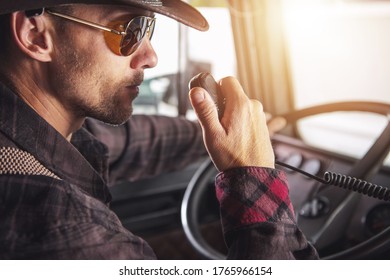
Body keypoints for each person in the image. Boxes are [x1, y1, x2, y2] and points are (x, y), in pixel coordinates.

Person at [0, 0, 318, 259]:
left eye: (149, 28)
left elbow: (139, 141)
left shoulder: (45, 132)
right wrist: (253, 175)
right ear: (35, 34)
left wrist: (229, 135)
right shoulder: (65, 231)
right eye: (130, 30)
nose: (151, 57)